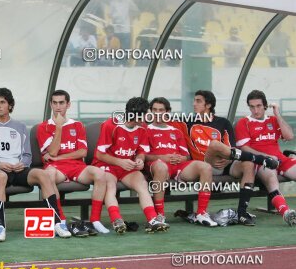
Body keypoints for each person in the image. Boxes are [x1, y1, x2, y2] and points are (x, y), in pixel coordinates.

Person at [0, 88, 72, 241]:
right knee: (0, 177)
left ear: (10, 105)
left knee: (43, 174)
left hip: (18, 169)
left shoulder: (20, 127)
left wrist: (22, 164)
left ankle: (58, 222)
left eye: (2, 102)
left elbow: (27, 155)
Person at [171, 90, 279, 226]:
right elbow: (161, 124)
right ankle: (261, 160)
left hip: (227, 162)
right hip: (205, 164)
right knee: (215, 144)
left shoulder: (223, 122)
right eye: (194, 101)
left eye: (198, 101)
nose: (194, 104)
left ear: (208, 105)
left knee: (248, 165)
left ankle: (241, 213)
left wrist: (228, 159)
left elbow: (231, 148)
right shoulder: (186, 122)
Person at [92, 97, 168, 233]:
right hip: (107, 164)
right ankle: (116, 220)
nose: (147, 117)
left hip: (128, 167)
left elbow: (141, 151)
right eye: (145, 114)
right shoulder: (111, 125)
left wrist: (140, 160)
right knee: (110, 187)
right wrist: (119, 161)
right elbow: (99, 154)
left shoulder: (142, 127)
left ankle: (152, 220)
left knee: (142, 185)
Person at [36, 90, 107, 234]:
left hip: (76, 167)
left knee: (99, 173)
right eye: (55, 103)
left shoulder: (78, 125)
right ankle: (60, 219)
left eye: (61, 103)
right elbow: (53, 151)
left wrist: (59, 157)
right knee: (48, 176)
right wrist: (59, 127)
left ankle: (95, 220)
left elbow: (82, 152)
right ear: (51, 104)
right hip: (56, 169)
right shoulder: (43, 127)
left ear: (68, 105)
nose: (58, 107)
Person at [145, 97, 217, 227]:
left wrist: (182, 158)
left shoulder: (176, 131)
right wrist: (162, 158)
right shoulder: (145, 130)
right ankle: (160, 215)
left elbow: (186, 155)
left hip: (178, 166)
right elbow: (142, 155)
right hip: (158, 166)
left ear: (167, 112)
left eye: (161, 110)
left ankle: (201, 213)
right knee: (161, 167)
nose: (157, 113)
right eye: (154, 110)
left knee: (205, 167)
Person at [235, 90, 296, 226]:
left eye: (258, 106)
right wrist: (265, 156)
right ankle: (285, 212)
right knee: (271, 179)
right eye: (252, 106)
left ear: (265, 106)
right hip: (260, 162)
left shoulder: (273, 120)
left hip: (280, 159)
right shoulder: (243, 122)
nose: (255, 110)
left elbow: (289, 136)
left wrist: (277, 115)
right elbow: (244, 148)